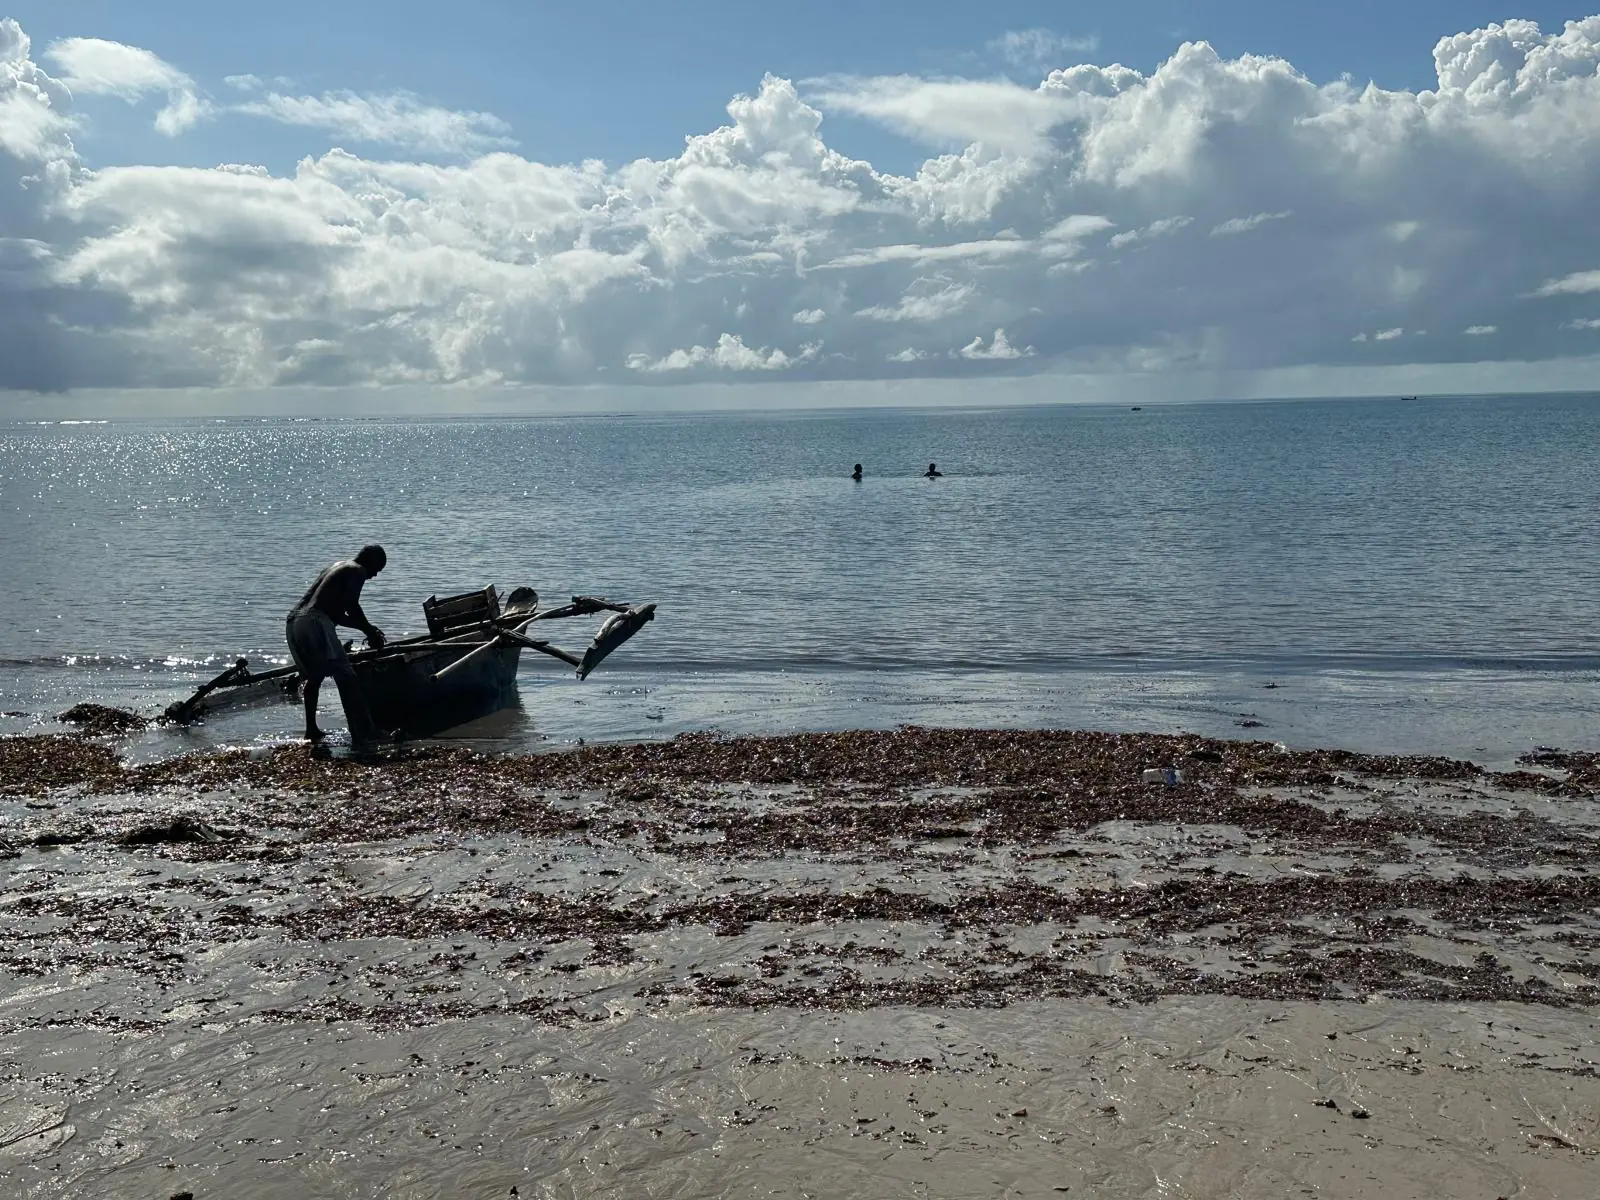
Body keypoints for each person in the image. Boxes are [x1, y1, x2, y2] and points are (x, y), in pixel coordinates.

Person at [285, 544, 388, 748]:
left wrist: (367, 628)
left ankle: (311, 729)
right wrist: (369, 631)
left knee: (314, 678)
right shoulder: (357, 570)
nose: (375, 575)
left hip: (294, 621)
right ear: (371, 561)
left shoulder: (335, 567)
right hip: (315, 621)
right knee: (347, 678)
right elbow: (352, 606)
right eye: (377, 570)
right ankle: (365, 731)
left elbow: (336, 615)